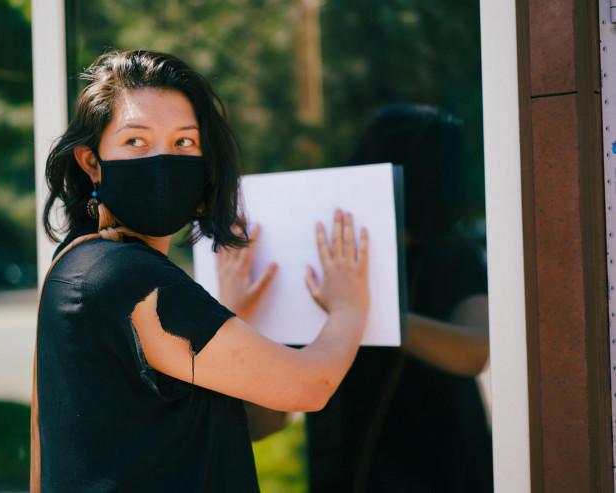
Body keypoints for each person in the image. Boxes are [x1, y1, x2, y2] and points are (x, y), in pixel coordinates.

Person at [30, 49, 370, 492]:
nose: (163, 161)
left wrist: (225, 313)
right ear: (91, 162)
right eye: (135, 142)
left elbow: (226, 425)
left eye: (184, 143)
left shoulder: (78, 263)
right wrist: (349, 308)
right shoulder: (129, 277)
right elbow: (311, 386)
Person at [305, 104, 493, 492]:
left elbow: (474, 350)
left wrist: (362, 312)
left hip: (436, 457)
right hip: (348, 449)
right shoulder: (333, 248)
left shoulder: (451, 254)